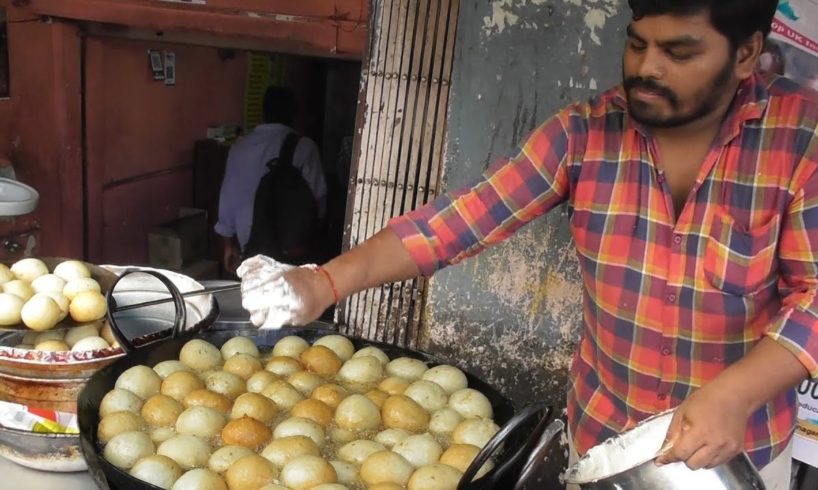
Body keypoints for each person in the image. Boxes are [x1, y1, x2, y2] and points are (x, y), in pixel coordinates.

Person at [237, 1, 817, 488]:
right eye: (637, 44)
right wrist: (324, 282)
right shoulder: (586, 132)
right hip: (603, 439)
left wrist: (737, 394)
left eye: (679, 53)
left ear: (746, 54)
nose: (647, 68)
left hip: (739, 449)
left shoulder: (801, 138)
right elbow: (460, 220)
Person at [215, 86, 327, 274]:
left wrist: (227, 245)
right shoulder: (305, 147)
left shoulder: (239, 148)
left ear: (264, 112)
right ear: (294, 114)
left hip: (251, 247)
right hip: (292, 249)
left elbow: (228, 199)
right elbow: (319, 202)